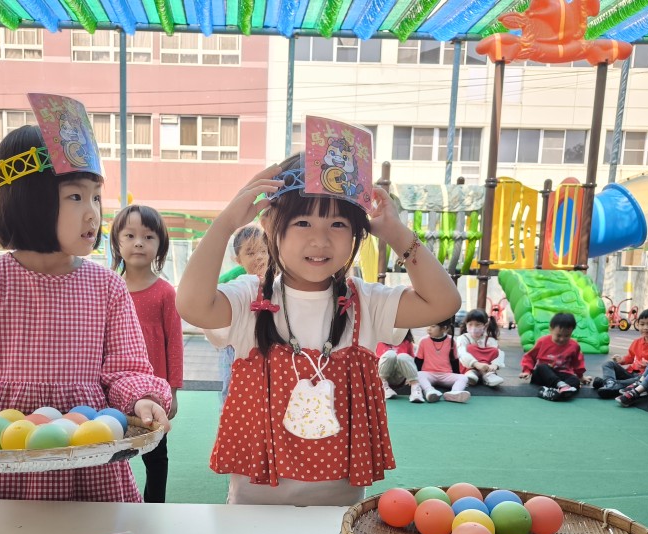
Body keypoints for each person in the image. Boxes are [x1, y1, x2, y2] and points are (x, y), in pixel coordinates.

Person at [0, 108, 170, 502]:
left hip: (87, 455)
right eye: (76, 196)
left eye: (96, 197)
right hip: (5, 457)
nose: (93, 212)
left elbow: (125, 369)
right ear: (28, 200)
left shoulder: (107, 287)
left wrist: (142, 397)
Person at [175, 144, 461, 507]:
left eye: (338, 224)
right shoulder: (251, 298)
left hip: (339, 510)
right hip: (254, 506)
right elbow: (192, 305)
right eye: (302, 222)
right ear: (269, 225)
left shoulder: (366, 302)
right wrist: (226, 223)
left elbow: (443, 302)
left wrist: (398, 234)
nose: (320, 240)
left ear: (357, 231)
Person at [110, 204, 183, 501]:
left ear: (160, 245)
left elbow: (174, 344)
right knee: (112, 452)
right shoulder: (108, 289)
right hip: (113, 391)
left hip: (154, 395)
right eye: (130, 235)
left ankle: (155, 506)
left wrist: (173, 391)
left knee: (156, 456)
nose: (138, 243)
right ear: (117, 242)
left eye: (148, 237)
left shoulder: (165, 292)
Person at [218, 225, 269, 404]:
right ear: (238, 260)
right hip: (235, 344)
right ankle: (226, 416)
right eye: (250, 253)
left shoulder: (278, 280)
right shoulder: (234, 281)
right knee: (232, 384)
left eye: (263, 250)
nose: (259, 257)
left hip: (266, 343)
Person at [593, 308, 648, 398]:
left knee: (638, 381)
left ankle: (607, 383)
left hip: (643, 377)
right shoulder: (636, 342)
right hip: (630, 373)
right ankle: (610, 383)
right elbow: (630, 357)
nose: (645, 327)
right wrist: (621, 360)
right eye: (642, 324)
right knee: (608, 364)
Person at [518, 312, 590, 401]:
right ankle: (561, 387)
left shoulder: (574, 345)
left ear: (572, 331)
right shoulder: (543, 341)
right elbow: (530, 357)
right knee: (541, 367)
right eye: (558, 335)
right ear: (551, 329)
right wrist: (527, 371)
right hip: (543, 376)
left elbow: (577, 363)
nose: (562, 339)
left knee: (575, 380)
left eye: (567, 336)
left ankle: (551, 392)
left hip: (562, 375)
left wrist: (581, 377)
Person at [415, 319, 470, 403]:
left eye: (433, 326)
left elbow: (455, 361)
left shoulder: (451, 341)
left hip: (446, 375)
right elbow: (418, 361)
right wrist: (415, 379)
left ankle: (454, 393)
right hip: (429, 374)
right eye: (428, 325)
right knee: (418, 374)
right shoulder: (423, 341)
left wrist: (457, 376)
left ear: (444, 328)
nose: (428, 329)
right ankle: (429, 391)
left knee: (463, 377)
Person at [455, 308, 505, 389]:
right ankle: (471, 373)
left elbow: (499, 354)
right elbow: (461, 353)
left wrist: (495, 365)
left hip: (487, 368)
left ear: (485, 326)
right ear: (466, 324)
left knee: (494, 350)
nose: (473, 327)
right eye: (470, 324)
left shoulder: (490, 340)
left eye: (477, 325)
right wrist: (476, 364)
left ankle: (488, 375)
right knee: (470, 348)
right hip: (468, 367)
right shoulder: (463, 338)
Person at [376, 330, 419, 401]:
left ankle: (415, 388)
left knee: (403, 356)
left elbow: (411, 360)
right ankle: (383, 386)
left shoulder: (407, 343)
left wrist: (409, 377)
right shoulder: (380, 343)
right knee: (390, 354)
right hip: (383, 375)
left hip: (399, 377)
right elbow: (377, 362)